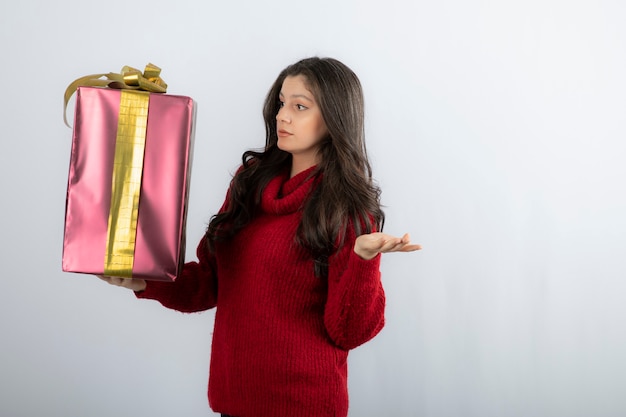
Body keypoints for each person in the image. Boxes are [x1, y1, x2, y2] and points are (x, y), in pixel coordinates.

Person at [101, 57, 421, 417]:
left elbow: (349, 331)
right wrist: (144, 280)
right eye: (282, 103)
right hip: (232, 401)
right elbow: (210, 283)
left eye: (300, 107)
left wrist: (363, 259)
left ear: (334, 120)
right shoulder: (248, 183)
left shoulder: (346, 208)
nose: (282, 115)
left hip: (303, 407)